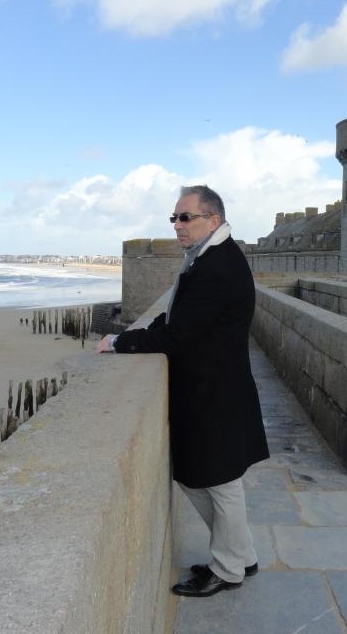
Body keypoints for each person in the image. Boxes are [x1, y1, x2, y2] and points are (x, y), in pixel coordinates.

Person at [97, 185, 269, 597]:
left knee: (218, 481)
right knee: (202, 477)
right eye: (174, 218)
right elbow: (182, 318)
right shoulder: (209, 256)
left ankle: (228, 569)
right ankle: (240, 554)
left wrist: (120, 341)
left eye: (185, 217)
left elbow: (178, 336)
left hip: (215, 391)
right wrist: (147, 330)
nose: (177, 225)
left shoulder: (216, 266)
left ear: (213, 219)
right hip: (215, 387)